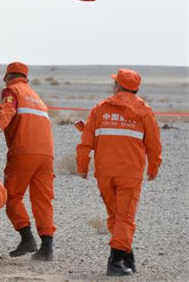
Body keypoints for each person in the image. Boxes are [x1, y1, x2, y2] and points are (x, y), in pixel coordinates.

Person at [76, 69, 162, 276]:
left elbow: (86, 142)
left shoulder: (100, 108)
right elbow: (154, 144)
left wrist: (82, 166)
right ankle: (115, 261)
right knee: (124, 217)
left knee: (116, 216)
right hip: (129, 173)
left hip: (105, 173)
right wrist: (153, 167)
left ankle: (127, 256)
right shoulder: (144, 110)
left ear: (118, 86)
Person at [0, 61, 55, 260]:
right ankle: (47, 247)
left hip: (24, 152)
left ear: (7, 77)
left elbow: (8, 109)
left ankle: (27, 238)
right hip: (47, 156)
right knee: (43, 200)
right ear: (27, 78)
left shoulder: (12, 90)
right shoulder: (37, 98)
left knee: (12, 197)